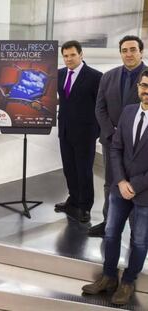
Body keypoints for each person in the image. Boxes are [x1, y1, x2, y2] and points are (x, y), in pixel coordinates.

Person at [82, 69, 148, 305]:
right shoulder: (129, 112)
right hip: (120, 188)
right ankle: (108, 277)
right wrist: (120, 181)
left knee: (140, 241)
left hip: (144, 193)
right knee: (111, 234)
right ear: (139, 87)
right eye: (144, 86)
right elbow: (116, 148)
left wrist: (134, 185)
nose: (146, 91)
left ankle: (128, 282)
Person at [89, 35, 146, 237]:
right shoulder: (108, 76)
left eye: (133, 49)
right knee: (111, 183)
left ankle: (136, 230)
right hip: (112, 141)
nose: (128, 54)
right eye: (124, 50)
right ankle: (108, 223)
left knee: (138, 185)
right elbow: (100, 108)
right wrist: (110, 133)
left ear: (141, 51)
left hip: (141, 144)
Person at [54, 40, 102, 223]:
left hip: (85, 133)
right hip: (65, 131)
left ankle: (85, 206)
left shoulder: (95, 76)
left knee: (84, 171)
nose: (68, 59)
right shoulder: (59, 74)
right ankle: (73, 200)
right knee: (69, 169)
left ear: (81, 55)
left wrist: (95, 131)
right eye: (65, 56)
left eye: (72, 55)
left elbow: (100, 107)